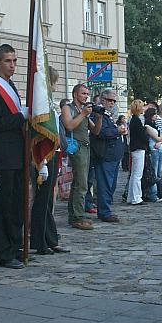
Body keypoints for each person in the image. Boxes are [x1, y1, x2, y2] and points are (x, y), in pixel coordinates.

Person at [0, 44, 29, 269]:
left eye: (14, 61)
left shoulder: (11, 85)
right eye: (8, 61)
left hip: (17, 154)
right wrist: (21, 117)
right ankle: (4, 252)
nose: (12, 65)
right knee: (4, 206)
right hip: (2, 155)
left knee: (17, 204)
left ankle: (15, 245)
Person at [29, 66, 69, 255]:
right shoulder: (42, 103)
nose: (55, 86)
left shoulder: (49, 102)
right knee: (42, 199)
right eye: (54, 82)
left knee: (48, 201)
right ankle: (40, 240)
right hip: (44, 156)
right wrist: (42, 161)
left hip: (53, 152)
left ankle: (50, 238)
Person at [62, 84, 95, 230]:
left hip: (86, 147)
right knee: (81, 183)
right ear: (75, 94)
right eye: (83, 93)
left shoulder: (84, 111)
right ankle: (78, 216)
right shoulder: (68, 108)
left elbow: (95, 130)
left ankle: (75, 214)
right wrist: (83, 114)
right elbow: (69, 125)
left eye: (87, 94)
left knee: (80, 182)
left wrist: (98, 117)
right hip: (76, 146)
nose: (86, 96)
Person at [88, 89, 124, 223]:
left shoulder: (109, 114)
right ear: (103, 100)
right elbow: (100, 132)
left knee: (111, 185)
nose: (112, 103)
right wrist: (117, 130)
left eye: (114, 101)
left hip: (113, 155)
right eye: (110, 100)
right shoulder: (97, 113)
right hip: (105, 155)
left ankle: (106, 209)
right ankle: (104, 211)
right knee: (105, 185)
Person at [127, 99, 148, 205]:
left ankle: (131, 196)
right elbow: (142, 135)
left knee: (134, 174)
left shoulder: (133, 119)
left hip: (135, 148)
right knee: (137, 174)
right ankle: (136, 197)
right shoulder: (137, 120)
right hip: (139, 148)